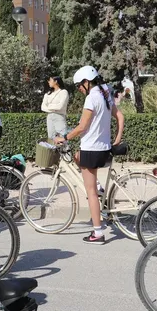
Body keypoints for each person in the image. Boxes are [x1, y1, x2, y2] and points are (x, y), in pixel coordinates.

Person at [54, 66, 124, 244]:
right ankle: (100, 187)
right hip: (103, 148)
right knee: (77, 156)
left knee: (90, 193)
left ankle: (98, 233)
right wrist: (116, 139)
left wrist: (65, 137)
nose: (78, 89)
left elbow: (82, 127)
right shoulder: (106, 92)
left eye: (79, 85)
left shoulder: (91, 98)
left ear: (87, 82)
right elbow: (120, 117)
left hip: (91, 149)